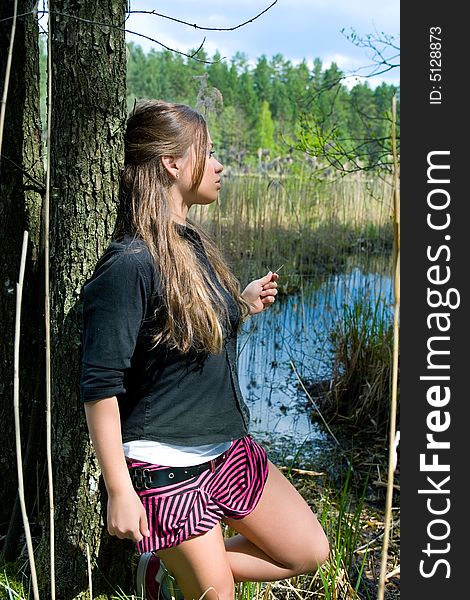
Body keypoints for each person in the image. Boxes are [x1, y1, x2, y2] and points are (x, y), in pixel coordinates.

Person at [81, 100, 329, 600]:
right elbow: (100, 389)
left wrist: (241, 304)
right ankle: (183, 567)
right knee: (218, 598)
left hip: (227, 448)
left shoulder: (192, 245)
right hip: (165, 465)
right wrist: (118, 490)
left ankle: (173, 567)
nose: (218, 165)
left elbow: (184, 332)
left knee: (308, 550)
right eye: (208, 153)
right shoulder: (129, 264)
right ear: (172, 163)